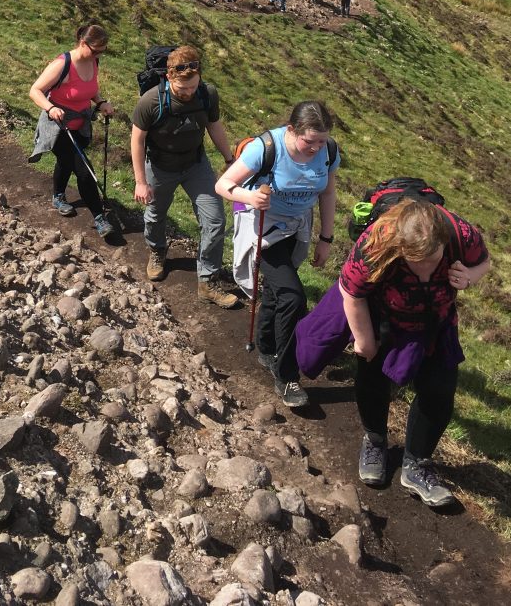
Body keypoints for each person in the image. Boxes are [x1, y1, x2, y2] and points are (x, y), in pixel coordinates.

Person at [337, 200, 488, 505]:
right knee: (373, 379)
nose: (425, 270)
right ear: (398, 246)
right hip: (384, 317)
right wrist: (364, 340)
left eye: (432, 259)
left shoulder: (461, 235)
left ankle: (417, 463)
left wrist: (471, 276)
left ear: (444, 242)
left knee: (439, 391)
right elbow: (350, 291)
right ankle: (375, 440)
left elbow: (484, 261)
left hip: (438, 320)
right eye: (414, 261)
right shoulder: (376, 243)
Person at [215, 100, 339, 408]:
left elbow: (328, 192)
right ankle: (287, 376)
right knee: (293, 297)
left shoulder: (329, 151)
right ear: (291, 129)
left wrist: (326, 238)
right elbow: (223, 184)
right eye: (309, 141)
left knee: (275, 291)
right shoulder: (266, 148)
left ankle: (266, 346)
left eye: (321, 141)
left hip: (297, 229)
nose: (316, 148)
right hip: (263, 230)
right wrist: (250, 196)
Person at [132, 46, 239, 305]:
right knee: (155, 215)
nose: (189, 93)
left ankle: (207, 281)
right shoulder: (151, 100)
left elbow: (214, 126)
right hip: (159, 166)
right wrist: (140, 182)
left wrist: (229, 160)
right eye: (183, 89)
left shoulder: (207, 94)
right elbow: (137, 140)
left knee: (215, 220)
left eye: (193, 87)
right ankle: (157, 251)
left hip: (195, 164)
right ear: (169, 77)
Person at [28, 24, 115, 237]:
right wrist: (51, 107)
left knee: (66, 162)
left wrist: (101, 102)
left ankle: (58, 196)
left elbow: (90, 89)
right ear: (83, 43)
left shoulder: (93, 61)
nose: (99, 55)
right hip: (58, 127)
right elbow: (35, 90)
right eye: (96, 50)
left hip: (81, 125)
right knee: (84, 170)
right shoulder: (62, 64)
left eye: (102, 51)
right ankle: (100, 217)